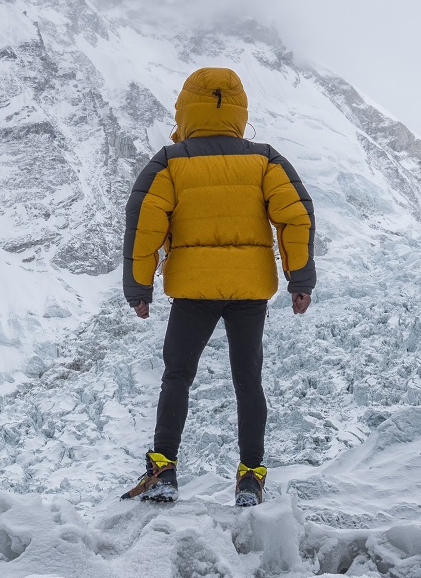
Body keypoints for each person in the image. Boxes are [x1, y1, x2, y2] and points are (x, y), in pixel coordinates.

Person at [120, 67, 315, 507]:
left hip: (192, 290)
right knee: (248, 380)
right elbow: (295, 215)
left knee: (177, 377)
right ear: (239, 109)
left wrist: (139, 287)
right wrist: (298, 278)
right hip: (249, 291)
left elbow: (144, 223)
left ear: (187, 108)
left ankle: (164, 469)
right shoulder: (265, 159)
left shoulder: (170, 161)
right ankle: (250, 476)